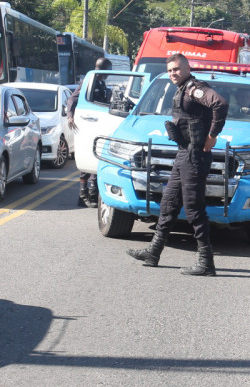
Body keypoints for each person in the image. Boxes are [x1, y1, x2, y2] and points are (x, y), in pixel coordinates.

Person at [127, 54, 228, 276]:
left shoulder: (194, 88)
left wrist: (213, 134)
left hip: (195, 157)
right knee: (168, 205)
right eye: (170, 70)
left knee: (193, 209)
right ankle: (153, 252)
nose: (173, 73)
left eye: (177, 69)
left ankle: (206, 262)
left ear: (187, 68)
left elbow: (220, 103)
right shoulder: (181, 88)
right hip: (184, 154)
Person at [67, 57, 114, 207]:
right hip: (89, 125)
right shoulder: (90, 80)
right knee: (90, 156)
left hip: (98, 125)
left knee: (96, 156)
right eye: (108, 70)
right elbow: (72, 100)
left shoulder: (101, 82)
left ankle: (93, 193)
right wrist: (70, 116)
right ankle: (83, 195)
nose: (109, 73)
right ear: (103, 69)